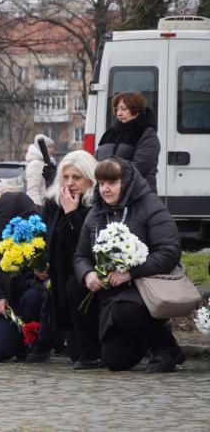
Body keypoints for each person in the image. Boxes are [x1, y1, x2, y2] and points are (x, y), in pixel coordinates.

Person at [73, 156, 184, 373]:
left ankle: (166, 347)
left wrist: (130, 273)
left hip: (143, 287)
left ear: (126, 183)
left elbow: (169, 251)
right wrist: (87, 274)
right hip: (110, 293)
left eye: (112, 183)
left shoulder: (150, 205)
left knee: (125, 310)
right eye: (101, 183)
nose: (105, 189)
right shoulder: (96, 212)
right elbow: (80, 255)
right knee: (116, 361)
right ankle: (106, 347)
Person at [31, 150, 100, 368]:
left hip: (86, 282)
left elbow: (84, 248)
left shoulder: (96, 205)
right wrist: (40, 263)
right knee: (73, 353)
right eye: (66, 177)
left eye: (76, 177)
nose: (70, 183)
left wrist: (72, 214)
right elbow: (45, 237)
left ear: (90, 179)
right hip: (58, 279)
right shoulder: (54, 203)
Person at [0, 192, 46, 362]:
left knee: (33, 298)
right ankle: (19, 342)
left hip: (34, 299)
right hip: (7, 300)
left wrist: (41, 272)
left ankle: (38, 341)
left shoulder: (40, 232)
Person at [95, 91, 159, 191]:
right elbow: (95, 162)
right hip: (107, 192)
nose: (119, 113)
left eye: (124, 109)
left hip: (137, 193)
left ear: (137, 110)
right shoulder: (109, 133)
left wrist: (109, 177)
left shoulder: (146, 133)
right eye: (117, 109)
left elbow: (140, 166)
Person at [25, 133, 55, 205]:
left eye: (52, 147)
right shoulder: (36, 164)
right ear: (40, 148)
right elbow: (33, 190)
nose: (52, 150)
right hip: (41, 206)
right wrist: (37, 208)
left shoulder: (46, 163)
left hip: (47, 206)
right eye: (49, 147)